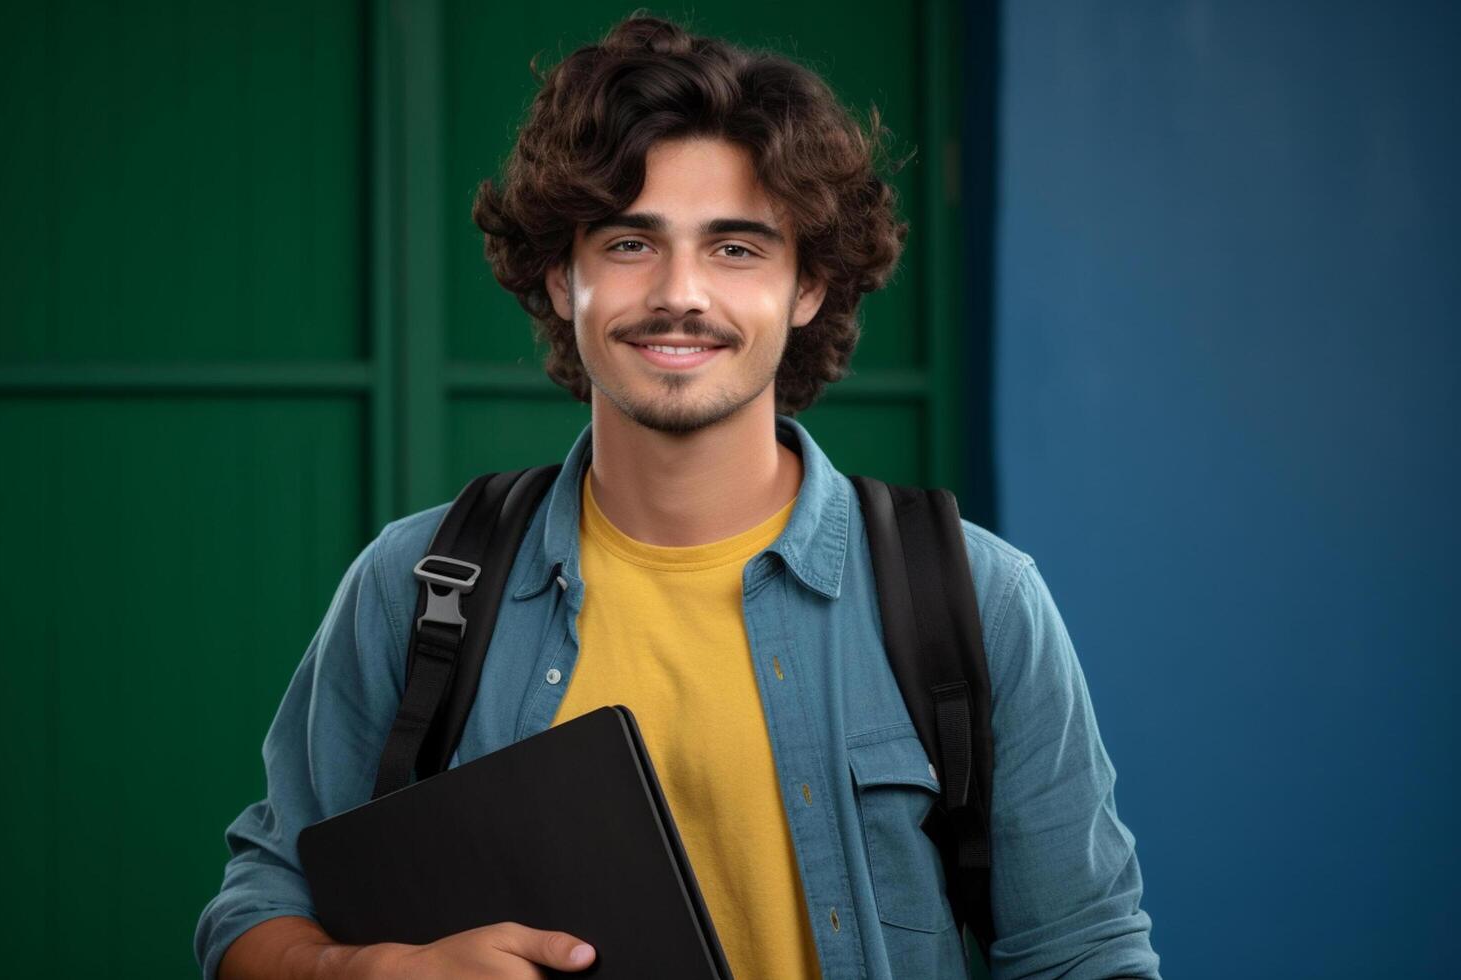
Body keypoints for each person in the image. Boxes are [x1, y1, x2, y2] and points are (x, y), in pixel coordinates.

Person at [196, 15, 1160, 980]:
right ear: (558, 275)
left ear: (808, 286)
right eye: (628, 243)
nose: (680, 293)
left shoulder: (974, 597)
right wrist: (362, 972)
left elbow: (1084, 956)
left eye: (736, 248)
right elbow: (258, 908)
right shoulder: (415, 584)